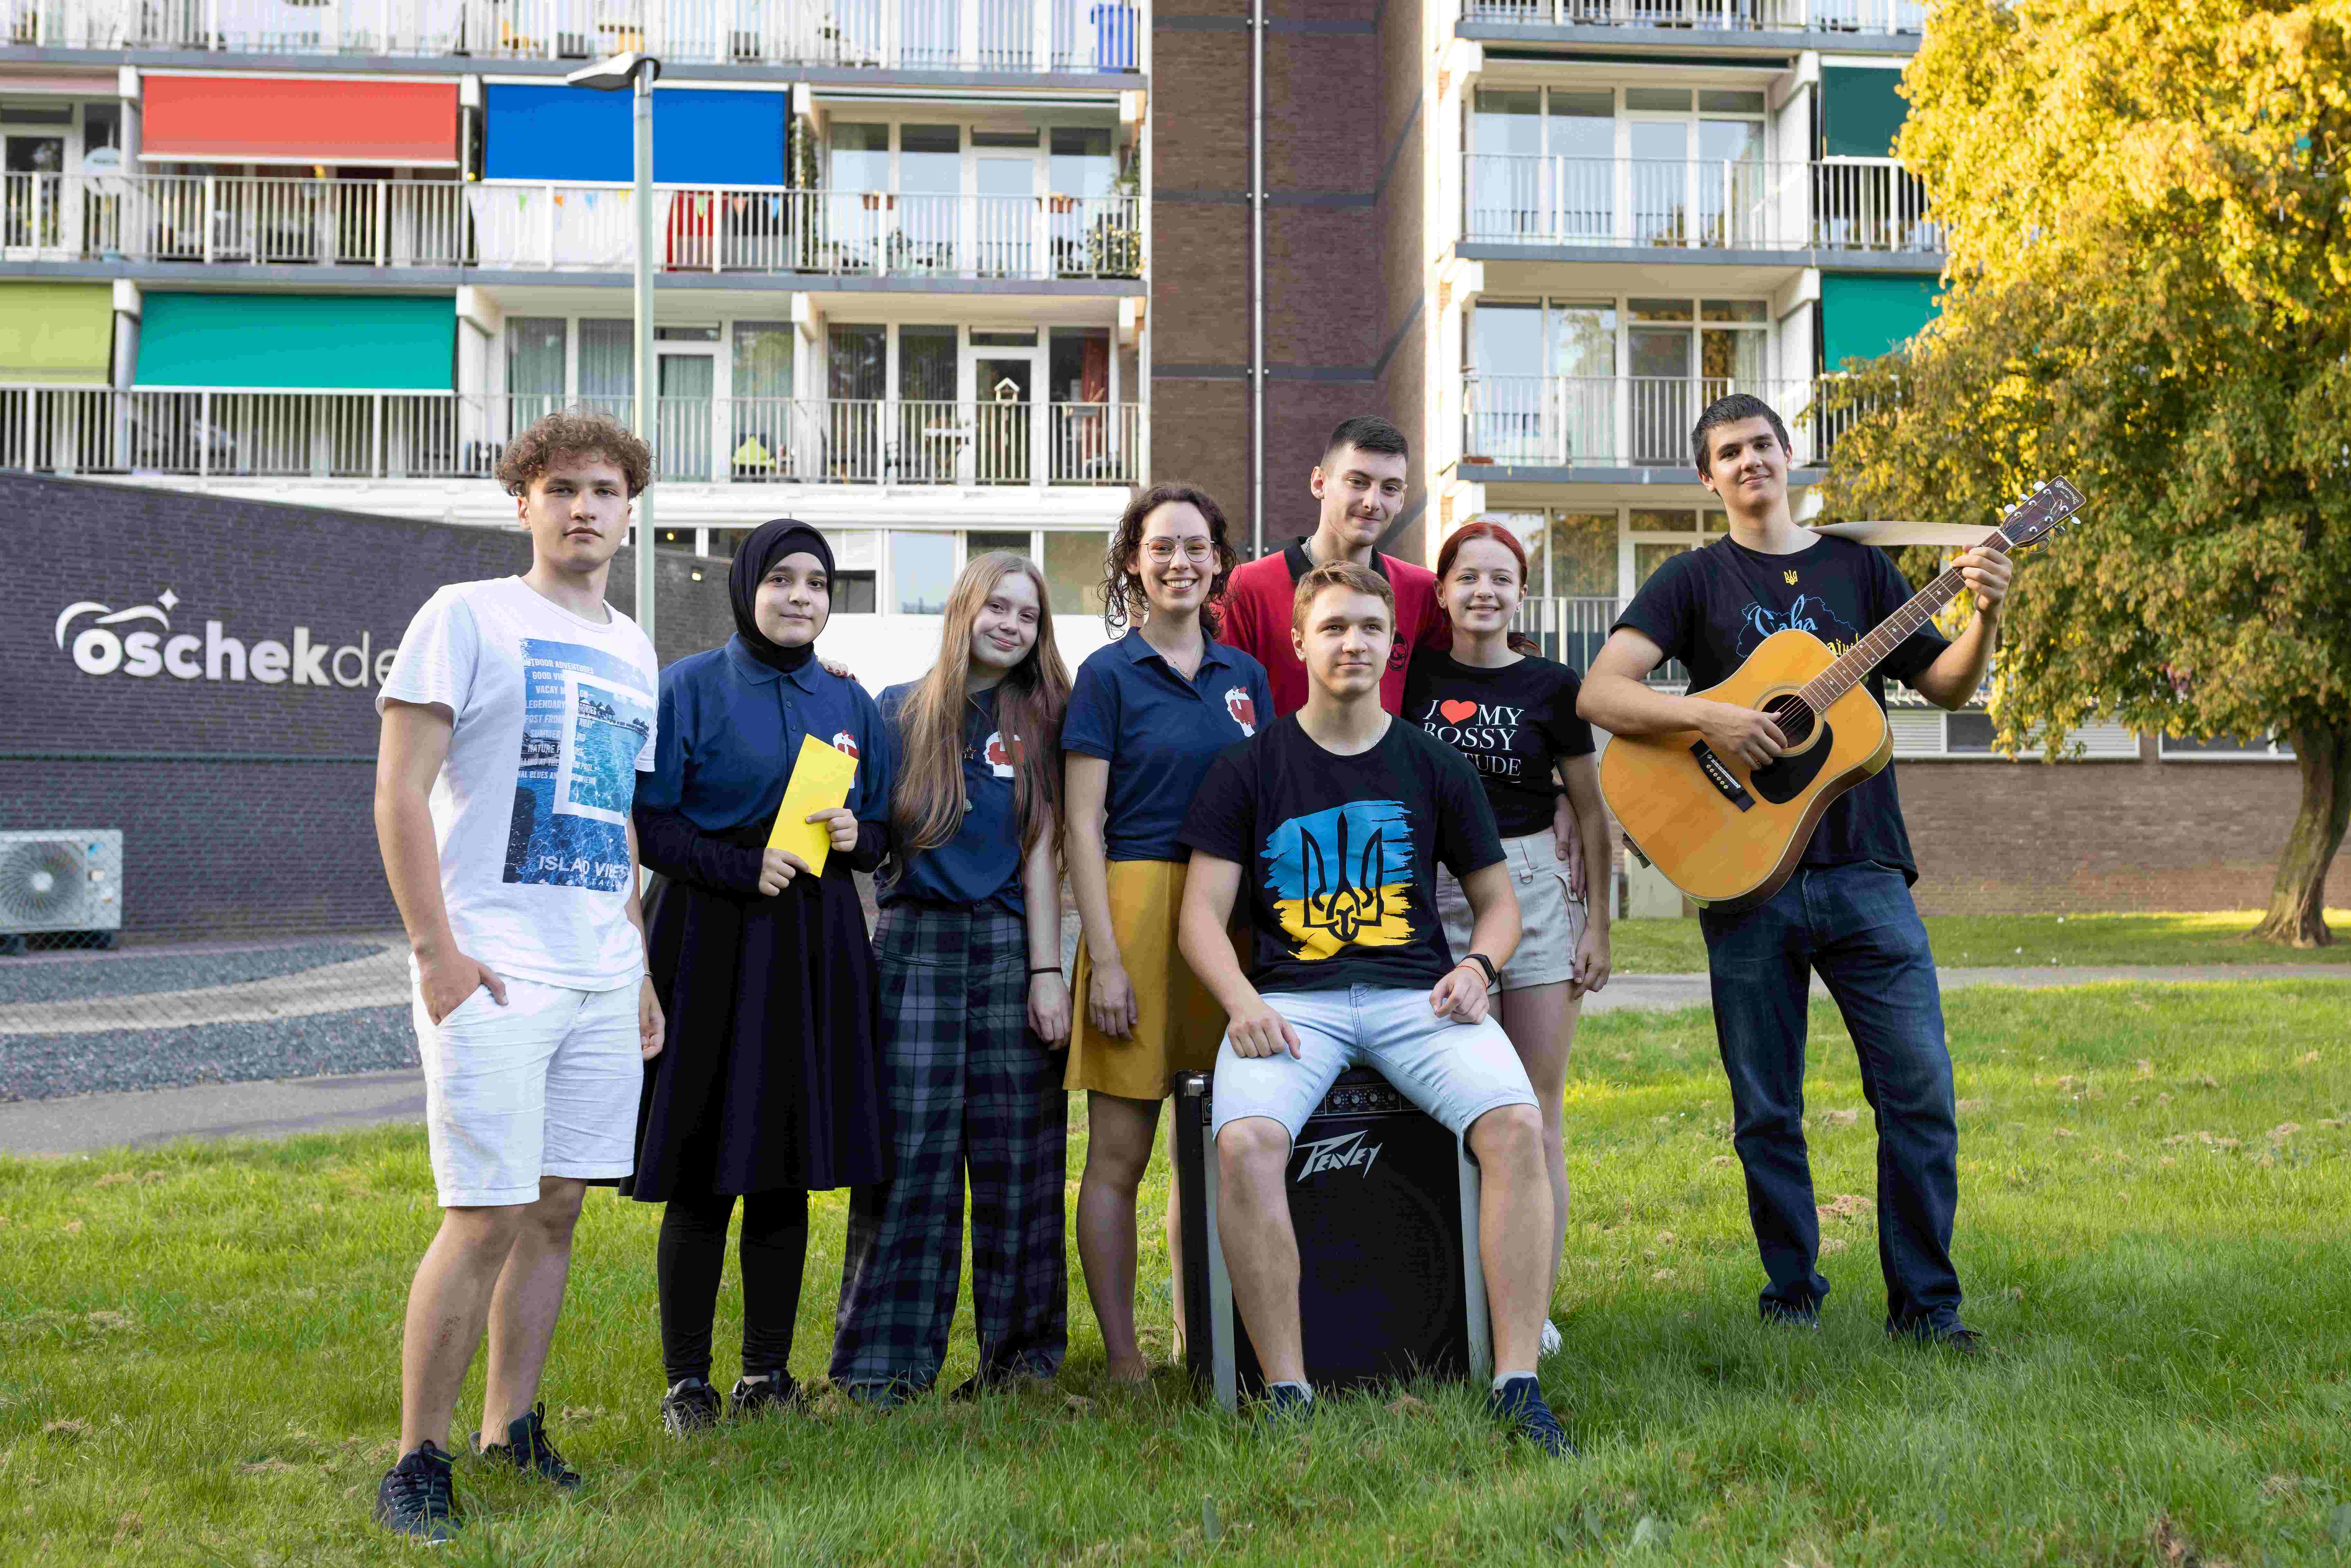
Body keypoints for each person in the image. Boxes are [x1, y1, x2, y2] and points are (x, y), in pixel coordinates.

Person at [1578, 393, 2012, 1349]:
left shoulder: (1859, 568)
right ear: (1706, 477)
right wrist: (1714, 719)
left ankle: (1926, 1311)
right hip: (1742, 880)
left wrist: (1984, 612)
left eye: (1761, 446)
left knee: (1918, 1093)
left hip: (1863, 870)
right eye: (1726, 452)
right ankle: (1790, 1296)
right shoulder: (1690, 580)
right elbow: (1599, 692)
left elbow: (1945, 683)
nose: (1747, 463)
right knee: (1763, 1106)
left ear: (1788, 458)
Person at [1176, 559, 1575, 1454]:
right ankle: (1287, 1389)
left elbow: (1499, 903)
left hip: (1415, 996)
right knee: (1242, 1141)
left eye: (1368, 627)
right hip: (1290, 1002)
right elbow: (1199, 918)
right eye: (1332, 627)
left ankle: (1517, 1381)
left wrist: (1479, 964)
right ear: (1297, 641)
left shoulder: (1431, 760)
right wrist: (1240, 1000)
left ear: (1394, 644)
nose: (1350, 642)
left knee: (1514, 1124)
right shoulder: (1248, 766)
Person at [370, 409, 665, 1541]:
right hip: (491, 969)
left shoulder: (634, 645)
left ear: (629, 509)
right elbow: (400, 791)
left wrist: (635, 960)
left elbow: (616, 815)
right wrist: (436, 951)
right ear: (525, 501)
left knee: (555, 1207)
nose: (584, 507)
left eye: (603, 489)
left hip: (597, 967)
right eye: (562, 489)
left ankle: (512, 1425)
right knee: (484, 1208)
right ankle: (417, 1458)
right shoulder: (465, 616)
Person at [625, 519, 892, 1435]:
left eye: (817, 582)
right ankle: (687, 1382)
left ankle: (766, 1372)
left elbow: (884, 825)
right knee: (705, 1163)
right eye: (780, 579)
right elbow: (650, 824)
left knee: (785, 1162)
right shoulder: (688, 686)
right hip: (708, 935)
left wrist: (864, 839)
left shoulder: (850, 701)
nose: (799, 596)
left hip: (813, 943)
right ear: (747, 587)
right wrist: (737, 869)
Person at [830, 552, 1074, 1402]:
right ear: (963, 608)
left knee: (1020, 1163)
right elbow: (853, 827)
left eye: (1029, 614)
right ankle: (881, 1368)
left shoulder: (1044, 717)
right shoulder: (897, 709)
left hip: (1012, 948)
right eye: (997, 607)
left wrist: (1049, 972)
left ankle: (1021, 1364)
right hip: (913, 950)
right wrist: (828, 682)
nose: (1011, 624)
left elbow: (1045, 852)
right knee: (909, 1165)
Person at [1062, 484, 1273, 1382]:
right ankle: (1122, 1356)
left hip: (1230, 922)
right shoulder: (1107, 676)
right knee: (1120, 1150)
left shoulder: (1247, 678)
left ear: (1218, 559)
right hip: (1138, 912)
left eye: (1196, 545)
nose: (1180, 561)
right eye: (1161, 547)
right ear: (1133, 562)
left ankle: (1203, 1338)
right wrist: (1104, 958)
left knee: (1216, 1144)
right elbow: (1079, 823)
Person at [1404, 520, 1612, 1360]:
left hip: (1531, 884)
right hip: (1429, 886)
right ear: (1443, 591)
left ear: (1520, 595)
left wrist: (1599, 921)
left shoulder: (1553, 685)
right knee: (1442, 1104)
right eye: (1468, 577)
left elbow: (1592, 810)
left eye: (1502, 578)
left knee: (1534, 1108)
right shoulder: (1411, 674)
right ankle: (1442, 1288)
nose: (1484, 590)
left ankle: (1532, 1304)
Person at [1217, 415, 1448, 719]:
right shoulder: (1243, 588)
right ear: (1319, 483)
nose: (1372, 502)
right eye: (1357, 482)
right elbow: (1225, 705)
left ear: (1403, 498)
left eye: (1390, 488)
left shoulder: (1424, 592)